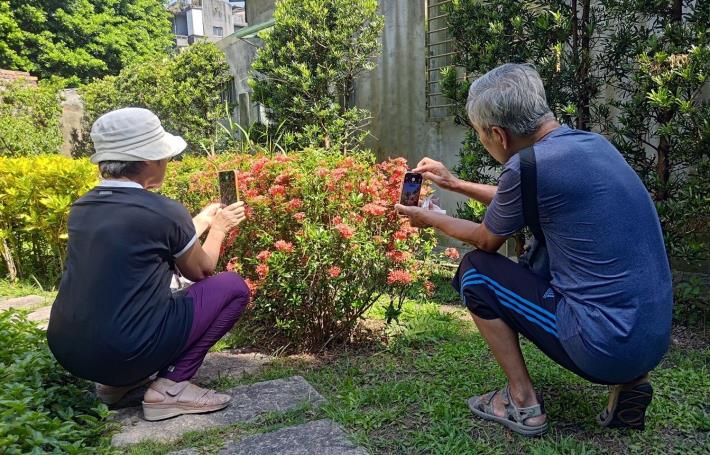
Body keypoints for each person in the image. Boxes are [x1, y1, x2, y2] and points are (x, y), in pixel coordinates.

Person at [395, 64, 672, 436]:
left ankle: (521, 402)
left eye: (480, 135)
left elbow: (485, 238)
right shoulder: (591, 145)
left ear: (498, 134)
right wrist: (456, 184)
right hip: (651, 337)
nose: (483, 141)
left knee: (475, 271)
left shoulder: (528, 166)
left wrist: (426, 217)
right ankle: (632, 385)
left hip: (604, 344)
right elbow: (526, 197)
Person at [47, 108, 250, 422]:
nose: (167, 162)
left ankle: (115, 384)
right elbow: (201, 270)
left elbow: (147, 241)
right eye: (164, 155)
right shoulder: (163, 211)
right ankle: (170, 390)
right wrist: (221, 227)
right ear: (149, 160)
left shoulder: (83, 206)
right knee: (232, 287)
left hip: (70, 350)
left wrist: (202, 221)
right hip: (127, 350)